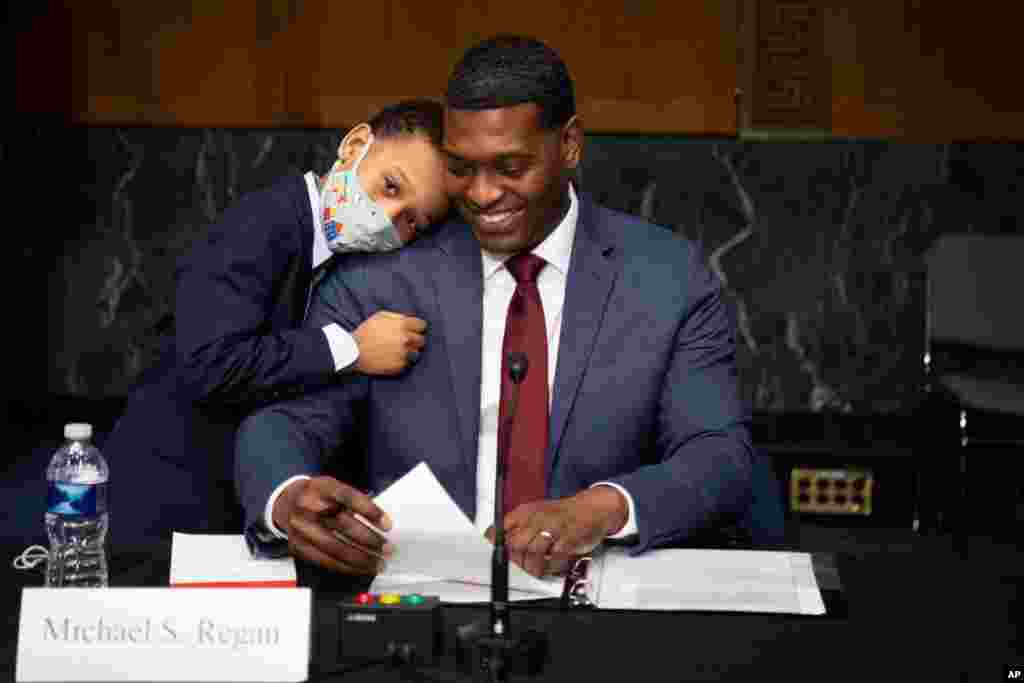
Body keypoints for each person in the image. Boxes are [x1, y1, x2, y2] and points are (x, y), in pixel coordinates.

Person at [235, 36, 756, 578]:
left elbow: (718, 455)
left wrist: (602, 509)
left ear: (571, 145)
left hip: (596, 603)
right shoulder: (383, 275)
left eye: (509, 167)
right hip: (416, 603)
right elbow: (285, 420)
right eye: (462, 168)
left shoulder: (665, 277)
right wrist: (288, 495)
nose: (482, 195)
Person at [102, 99, 450, 548]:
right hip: (162, 494)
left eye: (411, 221)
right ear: (355, 145)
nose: (388, 216)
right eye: (389, 186)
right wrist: (352, 350)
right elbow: (211, 364)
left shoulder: (345, 262)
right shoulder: (262, 223)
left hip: (233, 503)